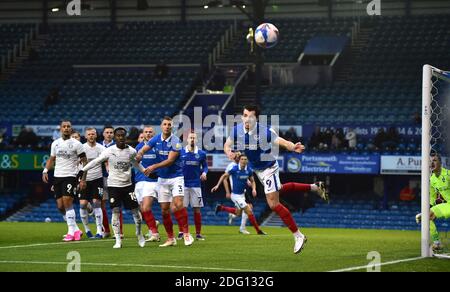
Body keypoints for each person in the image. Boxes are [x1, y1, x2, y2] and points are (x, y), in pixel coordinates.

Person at [224, 105, 307, 254]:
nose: (246, 118)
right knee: (278, 190)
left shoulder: (265, 131)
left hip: (269, 167)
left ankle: (298, 235)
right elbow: (227, 145)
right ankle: (313, 187)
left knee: (273, 203)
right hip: (257, 170)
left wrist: (293, 146)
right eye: (244, 115)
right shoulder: (237, 130)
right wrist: (229, 152)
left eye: (250, 116)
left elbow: (281, 141)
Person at [79, 127, 146, 249]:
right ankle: (118, 239)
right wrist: (83, 170)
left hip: (128, 186)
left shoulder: (131, 151)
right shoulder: (109, 151)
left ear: (125, 137)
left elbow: (136, 163)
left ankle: (139, 233)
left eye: (123, 135)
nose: (121, 137)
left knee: (136, 212)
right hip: (113, 186)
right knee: (115, 211)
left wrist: (145, 171)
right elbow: (96, 161)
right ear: (115, 137)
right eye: (118, 135)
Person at [136, 116, 194, 247]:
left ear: (172, 127)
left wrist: (153, 167)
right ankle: (170, 238)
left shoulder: (176, 141)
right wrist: (139, 154)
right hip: (162, 179)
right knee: (164, 210)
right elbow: (144, 149)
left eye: (169, 124)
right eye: (165, 124)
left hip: (176, 177)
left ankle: (186, 233)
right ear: (161, 126)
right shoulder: (155, 139)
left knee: (179, 204)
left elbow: (170, 161)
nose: (167, 126)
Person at [42, 120, 86, 242]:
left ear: (71, 129)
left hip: (70, 176)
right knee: (60, 206)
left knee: (67, 202)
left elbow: (84, 161)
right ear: (61, 129)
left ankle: (70, 232)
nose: (66, 128)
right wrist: (45, 171)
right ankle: (76, 229)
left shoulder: (77, 144)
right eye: (64, 126)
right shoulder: (55, 143)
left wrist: (81, 177)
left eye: (68, 126)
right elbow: (52, 159)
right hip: (57, 177)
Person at [212, 154, 266, 235]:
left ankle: (221, 208)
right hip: (235, 196)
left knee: (238, 213)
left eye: (245, 159)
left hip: (243, 195)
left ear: (247, 161)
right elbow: (224, 176)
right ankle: (258, 230)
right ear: (239, 161)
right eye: (242, 159)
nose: (244, 161)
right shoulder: (234, 169)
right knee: (248, 209)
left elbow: (253, 181)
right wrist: (217, 185)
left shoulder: (249, 170)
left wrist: (254, 189)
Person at [416, 153, 450, 252]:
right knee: (426, 216)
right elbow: (432, 197)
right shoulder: (431, 179)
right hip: (448, 205)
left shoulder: (448, 174)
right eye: (430, 161)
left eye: (434, 160)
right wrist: (430, 208)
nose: (431, 162)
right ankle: (437, 243)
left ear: (440, 162)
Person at [179, 131, 208, 240]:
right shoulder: (181, 152)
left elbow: (205, 166)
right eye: (190, 137)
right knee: (182, 209)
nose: (192, 139)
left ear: (197, 140)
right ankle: (182, 231)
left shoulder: (201, 154)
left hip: (196, 185)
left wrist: (204, 173)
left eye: (194, 138)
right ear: (187, 139)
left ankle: (198, 233)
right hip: (183, 184)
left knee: (197, 209)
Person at [134, 126, 161, 242]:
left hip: (152, 181)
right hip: (139, 181)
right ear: (143, 134)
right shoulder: (139, 147)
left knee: (146, 207)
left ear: (154, 134)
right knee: (141, 209)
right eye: (146, 132)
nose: (148, 134)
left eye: (150, 132)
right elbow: (135, 164)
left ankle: (155, 233)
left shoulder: (158, 146)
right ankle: (153, 227)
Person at [78, 128, 105, 239]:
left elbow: (107, 161)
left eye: (93, 134)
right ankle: (87, 229)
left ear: (96, 135)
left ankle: (99, 230)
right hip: (84, 179)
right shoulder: (81, 148)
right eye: (89, 134)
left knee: (97, 203)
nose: (91, 136)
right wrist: (79, 179)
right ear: (86, 136)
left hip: (97, 179)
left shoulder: (101, 148)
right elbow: (77, 164)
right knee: (83, 204)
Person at [101, 125, 123, 238]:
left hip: (116, 178)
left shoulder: (118, 146)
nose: (109, 134)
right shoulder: (99, 146)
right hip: (102, 179)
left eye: (111, 132)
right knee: (102, 204)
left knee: (117, 205)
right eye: (107, 132)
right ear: (103, 134)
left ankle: (120, 231)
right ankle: (106, 230)